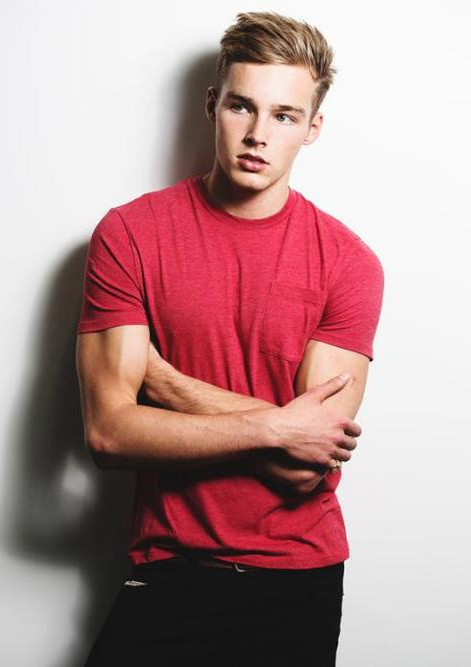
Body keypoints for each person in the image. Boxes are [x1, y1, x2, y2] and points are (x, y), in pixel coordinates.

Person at [75, 10, 384, 666]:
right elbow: (108, 433)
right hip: (169, 567)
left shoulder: (348, 263)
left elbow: (305, 465)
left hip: (297, 580)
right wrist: (278, 426)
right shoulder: (130, 236)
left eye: (285, 115)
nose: (258, 134)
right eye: (242, 106)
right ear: (213, 103)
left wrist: (162, 382)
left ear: (312, 128)